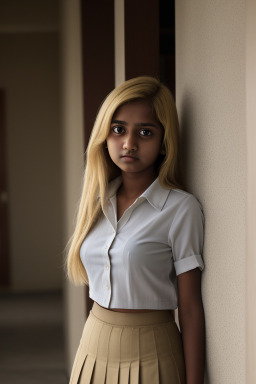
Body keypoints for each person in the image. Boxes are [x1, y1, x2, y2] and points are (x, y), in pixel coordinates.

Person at [66, 76, 205, 384]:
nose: (129, 143)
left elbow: (191, 309)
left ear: (164, 140)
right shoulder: (96, 201)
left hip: (152, 350)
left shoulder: (180, 209)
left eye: (145, 132)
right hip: (92, 344)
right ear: (105, 135)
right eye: (118, 130)